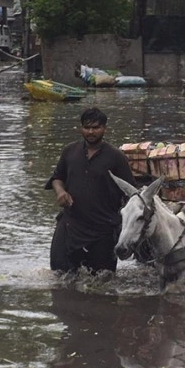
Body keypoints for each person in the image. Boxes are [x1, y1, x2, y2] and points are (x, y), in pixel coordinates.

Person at [45, 107, 137, 274]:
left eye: (96, 127)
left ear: (104, 128)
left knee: (102, 280)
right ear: (81, 128)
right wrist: (60, 192)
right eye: (87, 127)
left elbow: (131, 193)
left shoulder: (116, 157)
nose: (91, 131)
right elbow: (57, 178)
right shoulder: (70, 151)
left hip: (103, 229)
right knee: (58, 275)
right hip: (70, 224)